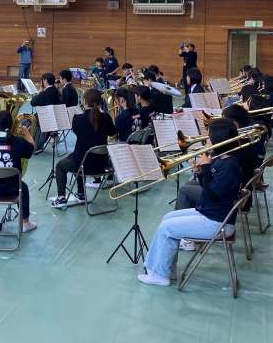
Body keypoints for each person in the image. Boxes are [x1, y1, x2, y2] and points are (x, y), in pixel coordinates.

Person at [138, 119, 242, 286]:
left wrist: (206, 169)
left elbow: (212, 195)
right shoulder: (221, 159)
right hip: (211, 213)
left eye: (210, 138)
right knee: (167, 218)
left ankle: (159, 275)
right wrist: (200, 172)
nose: (207, 141)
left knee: (167, 228)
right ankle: (165, 270)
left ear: (219, 139)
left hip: (218, 222)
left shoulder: (230, 165)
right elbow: (208, 188)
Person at [51, 89, 116, 208]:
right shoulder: (106, 117)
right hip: (102, 165)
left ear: (85, 102)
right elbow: (112, 132)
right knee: (78, 156)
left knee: (61, 166)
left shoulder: (78, 119)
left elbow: (77, 131)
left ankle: (61, 198)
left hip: (82, 165)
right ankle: (80, 193)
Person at [0, 110, 37, 233]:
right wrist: (26, 133)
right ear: (11, 126)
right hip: (11, 188)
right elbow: (32, 148)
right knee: (24, 188)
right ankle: (25, 223)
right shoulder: (18, 142)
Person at [31, 72, 62, 153]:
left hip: (45, 119)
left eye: (42, 80)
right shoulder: (56, 91)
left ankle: (34, 145)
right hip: (55, 119)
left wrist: (39, 92)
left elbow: (33, 103)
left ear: (45, 81)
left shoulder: (44, 93)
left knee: (26, 121)